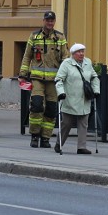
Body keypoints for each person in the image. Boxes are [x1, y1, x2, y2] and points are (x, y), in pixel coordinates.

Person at [19, 11, 69, 148]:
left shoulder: (60, 37)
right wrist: (23, 74)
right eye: (48, 20)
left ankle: (45, 137)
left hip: (54, 80)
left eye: (52, 20)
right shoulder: (34, 36)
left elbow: (65, 58)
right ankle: (35, 135)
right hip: (37, 78)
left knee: (52, 109)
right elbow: (27, 56)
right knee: (36, 105)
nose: (50, 22)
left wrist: (66, 76)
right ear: (43, 21)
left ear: (54, 21)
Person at [54, 43, 100, 154]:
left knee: (83, 123)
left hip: (84, 98)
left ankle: (81, 147)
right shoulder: (66, 64)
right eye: (79, 52)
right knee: (67, 123)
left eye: (83, 51)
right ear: (73, 54)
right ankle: (59, 143)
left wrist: (96, 90)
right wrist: (61, 93)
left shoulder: (87, 62)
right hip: (70, 98)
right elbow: (59, 80)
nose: (81, 54)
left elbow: (94, 77)